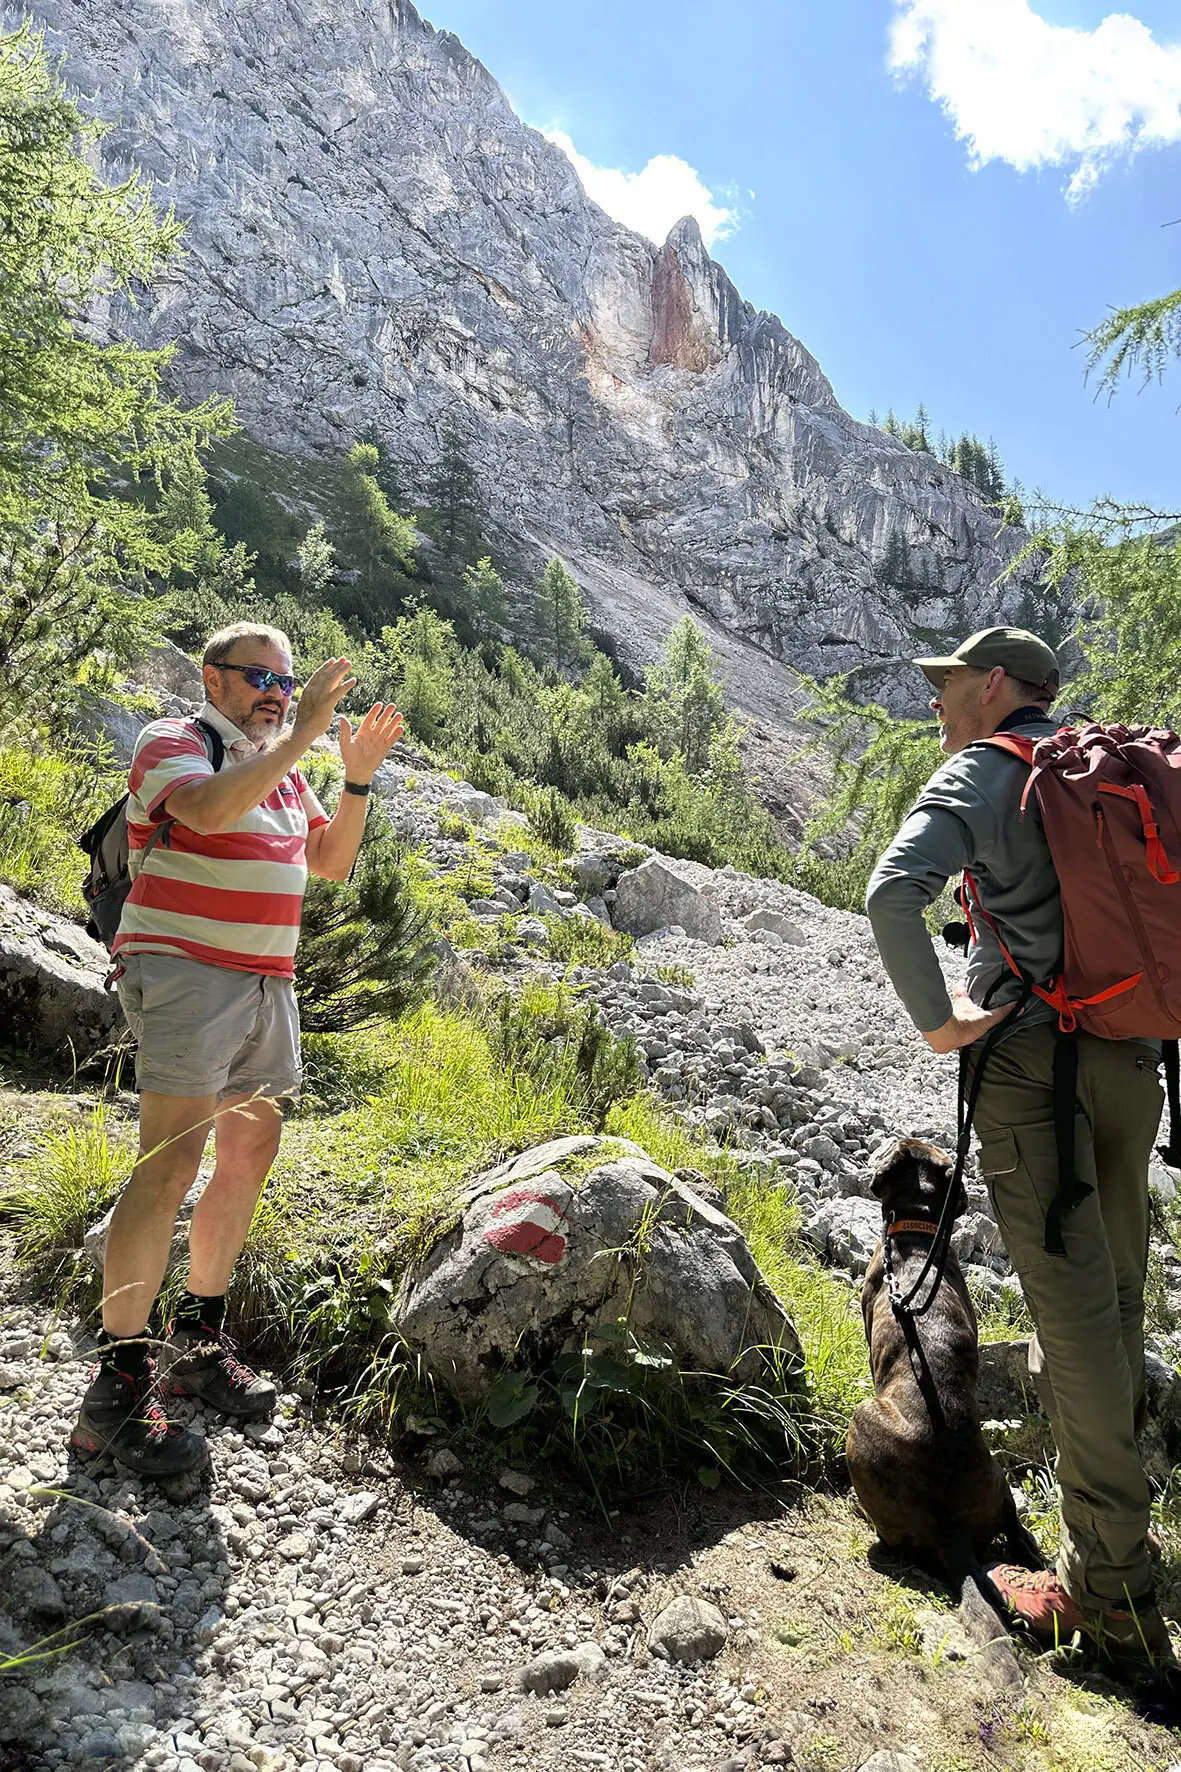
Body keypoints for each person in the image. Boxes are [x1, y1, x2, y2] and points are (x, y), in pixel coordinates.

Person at [866, 626, 1174, 1663]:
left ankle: (1113, 1598)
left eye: (947, 681)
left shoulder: (985, 772)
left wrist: (941, 1019)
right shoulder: (1100, 769)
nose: (938, 699)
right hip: (1132, 1066)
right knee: (1118, 1297)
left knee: (1076, 1318)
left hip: (1031, 1070)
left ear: (994, 683)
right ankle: (1115, 1532)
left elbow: (889, 891)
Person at [71, 623, 404, 1478]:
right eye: (258, 677)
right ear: (211, 679)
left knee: (249, 1148)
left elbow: (329, 862)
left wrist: (354, 774)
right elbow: (208, 810)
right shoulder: (173, 743)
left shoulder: (285, 770)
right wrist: (299, 738)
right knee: (170, 1166)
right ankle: (115, 1391)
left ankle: (198, 1338)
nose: (274, 693)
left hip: (267, 981)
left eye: (285, 684)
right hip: (185, 972)